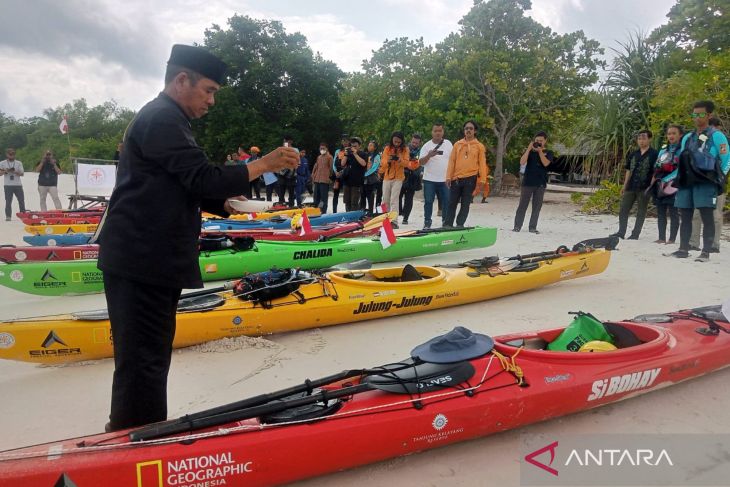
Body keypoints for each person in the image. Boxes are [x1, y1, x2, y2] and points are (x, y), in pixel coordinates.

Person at [95, 44, 299, 431]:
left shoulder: (170, 119)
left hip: (148, 258)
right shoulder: (161, 118)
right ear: (181, 79)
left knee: (147, 359)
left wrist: (226, 203)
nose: (211, 100)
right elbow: (201, 176)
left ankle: (135, 435)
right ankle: (137, 442)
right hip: (140, 258)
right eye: (209, 90)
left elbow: (186, 184)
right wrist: (264, 164)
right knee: (143, 361)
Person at [666, 100, 729, 262]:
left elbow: (726, 159)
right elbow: (682, 158)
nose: (697, 118)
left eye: (701, 114)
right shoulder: (688, 136)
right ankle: (683, 249)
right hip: (687, 181)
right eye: (694, 114)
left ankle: (706, 252)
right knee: (685, 214)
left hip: (706, 181)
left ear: (709, 115)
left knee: (707, 214)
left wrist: (719, 178)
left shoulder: (717, 135)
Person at [611, 130, 658, 240]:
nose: (641, 141)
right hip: (631, 186)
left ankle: (635, 234)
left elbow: (656, 171)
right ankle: (621, 232)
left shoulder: (654, 154)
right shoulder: (633, 154)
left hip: (645, 186)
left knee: (641, 211)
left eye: (644, 138)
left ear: (650, 139)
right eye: (639, 139)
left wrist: (651, 185)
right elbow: (628, 170)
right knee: (623, 209)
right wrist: (624, 185)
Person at [688, 117, 726, 253]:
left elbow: (726, 160)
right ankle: (693, 242)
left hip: (716, 183)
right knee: (697, 213)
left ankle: (714, 245)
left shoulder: (721, 140)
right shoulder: (699, 141)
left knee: (716, 215)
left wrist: (720, 177)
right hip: (701, 181)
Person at [444, 120, 487, 228]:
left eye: (471, 128)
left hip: (471, 179)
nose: (468, 130)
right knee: (451, 202)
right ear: (464, 131)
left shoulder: (479, 146)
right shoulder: (457, 144)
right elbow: (452, 161)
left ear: (475, 131)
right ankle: (448, 224)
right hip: (456, 178)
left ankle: (460, 224)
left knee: (465, 204)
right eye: (466, 128)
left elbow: (482, 163)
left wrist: (482, 180)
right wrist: (448, 176)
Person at [513, 131, 554, 234]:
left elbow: (546, 163)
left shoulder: (549, 152)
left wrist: (540, 151)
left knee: (536, 207)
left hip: (540, 183)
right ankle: (517, 226)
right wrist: (528, 149)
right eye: (537, 141)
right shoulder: (529, 151)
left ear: (545, 141)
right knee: (522, 205)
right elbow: (522, 162)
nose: (539, 142)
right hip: (527, 182)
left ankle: (532, 227)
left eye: (541, 141)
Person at [651, 125, 682, 244]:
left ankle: (672, 238)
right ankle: (661, 237)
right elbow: (657, 166)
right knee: (660, 211)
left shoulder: (682, 150)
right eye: (669, 134)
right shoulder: (663, 150)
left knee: (673, 212)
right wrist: (653, 182)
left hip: (674, 184)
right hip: (661, 183)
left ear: (680, 135)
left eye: (674, 133)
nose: (671, 136)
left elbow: (682, 168)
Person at [419, 123, 452, 229]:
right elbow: (421, 163)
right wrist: (429, 155)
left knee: (447, 201)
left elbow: (453, 160)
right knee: (428, 202)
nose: (438, 133)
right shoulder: (426, 146)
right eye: (435, 131)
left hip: (444, 180)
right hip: (429, 180)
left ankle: (445, 222)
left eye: (440, 131)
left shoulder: (448, 144)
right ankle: (427, 222)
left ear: (443, 132)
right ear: (432, 132)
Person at [379, 131, 409, 227]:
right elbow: (382, 162)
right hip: (387, 177)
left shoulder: (405, 149)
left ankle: (394, 222)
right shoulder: (387, 148)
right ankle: (385, 220)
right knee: (385, 200)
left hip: (398, 178)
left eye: (399, 142)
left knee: (394, 200)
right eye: (395, 141)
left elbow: (406, 163)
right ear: (392, 140)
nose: (396, 144)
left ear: (402, 141)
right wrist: (388, 160)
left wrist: (400, 160)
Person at [399, 134, 423, 225]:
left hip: (413, 177)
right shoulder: (405, 149)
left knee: (409, 198)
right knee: (399, 196)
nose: (414, 144)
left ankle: (406, 217)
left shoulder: (421, 152)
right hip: (403, 175)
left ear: (419, 143)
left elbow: (420, 164)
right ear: (410, 141)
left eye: (416, 143)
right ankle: (400, 211)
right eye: (413, 142)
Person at [340, 137, 367, 211]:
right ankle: (348, 219)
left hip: (357, 183)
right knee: (347, 202)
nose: (353, 148)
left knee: (354, 203)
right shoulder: (348, 154)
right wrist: (345, 155)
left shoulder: (363, 154)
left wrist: (355, 154)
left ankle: (354, 220)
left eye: (355, 146)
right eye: (352, 146)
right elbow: (342, 164)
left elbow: (364, 164)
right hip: (347, 181)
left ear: (359, 146)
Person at [0, 148, 26, 220]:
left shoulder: (18, 163)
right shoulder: (2, 163)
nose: (12, 155)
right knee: (8, 201)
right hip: (8, 185)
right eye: (10, 154)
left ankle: (23, 215)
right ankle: (8, 216)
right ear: (7, 154)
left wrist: (14, 171)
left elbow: (22, 173)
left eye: (13, 154)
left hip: (18, 184)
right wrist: (6, 171)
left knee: (21, 200)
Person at [277, 135, 298, 207]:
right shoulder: (281, 150)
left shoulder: (295, 150)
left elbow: (297, 162)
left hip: (291, 175)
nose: (285, 142)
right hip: (281, 175)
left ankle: (291, 207)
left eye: (286, 141)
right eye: (284, 141)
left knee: (291, 194)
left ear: (291, 141)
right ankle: (281, 207)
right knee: (281, 194)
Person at [312, 142, 333, 213]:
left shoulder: (330, 157)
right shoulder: (319, 157)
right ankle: (316, 211)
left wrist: (329, 177)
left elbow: (331, 169)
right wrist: (313, 175)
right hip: (317, 180)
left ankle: (323, 212)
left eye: (323, 148)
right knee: (316, 197)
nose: (322, 150)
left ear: (326, 149)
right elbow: (316, 167)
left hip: (324, 180)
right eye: (321, 148)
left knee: (323, 198)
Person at [331, 135, 349, 213]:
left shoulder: (350, 151)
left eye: (346, 140)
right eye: (343, 140)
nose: (344, 142)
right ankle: (334, 212)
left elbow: (349, 164)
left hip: (346, 176)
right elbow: (334, 163)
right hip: (337, 176)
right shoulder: (337, 151)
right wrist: (336, 172)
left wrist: (342, 172)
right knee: (335, 194)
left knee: (346, 194)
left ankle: (347, 211)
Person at [363, 141, 381, 213]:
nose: (369, 147)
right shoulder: (367, 155)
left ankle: (371, 212)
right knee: (364, 194)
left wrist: (365, 174)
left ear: (375, 147)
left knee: (371, 196)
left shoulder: (377, 156)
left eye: (371, 145)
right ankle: (363, 211)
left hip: (372, 178)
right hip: (365, 178)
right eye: (368, 145)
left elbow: (374, 167)